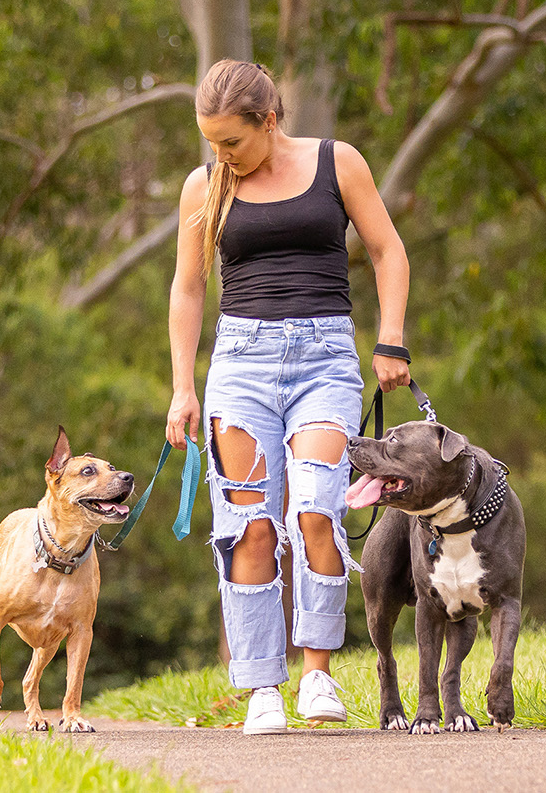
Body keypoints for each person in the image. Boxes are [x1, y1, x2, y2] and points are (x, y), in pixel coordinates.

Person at [166, 59, 411, 735]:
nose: (221, 154)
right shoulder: (206, 185)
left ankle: (317, 672)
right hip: (240, 364)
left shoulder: (338, 163)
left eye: (232, 141)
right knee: (249, 525)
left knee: (316, 508)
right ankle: (260, 688)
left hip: (324, 360)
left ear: (268, 121)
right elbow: (188, 287)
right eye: (210, 141)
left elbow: (388, 251)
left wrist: (391, 337)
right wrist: (183, 387)